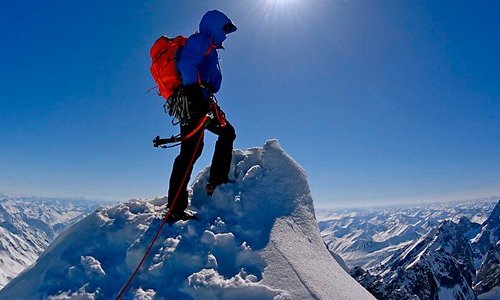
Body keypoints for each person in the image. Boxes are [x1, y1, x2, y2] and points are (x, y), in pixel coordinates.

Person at [166, 10, 237, 222]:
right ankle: (175, 209)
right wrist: (194, 93)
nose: (226, 35)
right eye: (224, 29)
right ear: (214, 26)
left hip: (203, 102)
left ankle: (216, 180)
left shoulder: (210, 48)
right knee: (190, 153)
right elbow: (186, 65)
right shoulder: (201, 41)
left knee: (226, 133)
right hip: (193, 103)